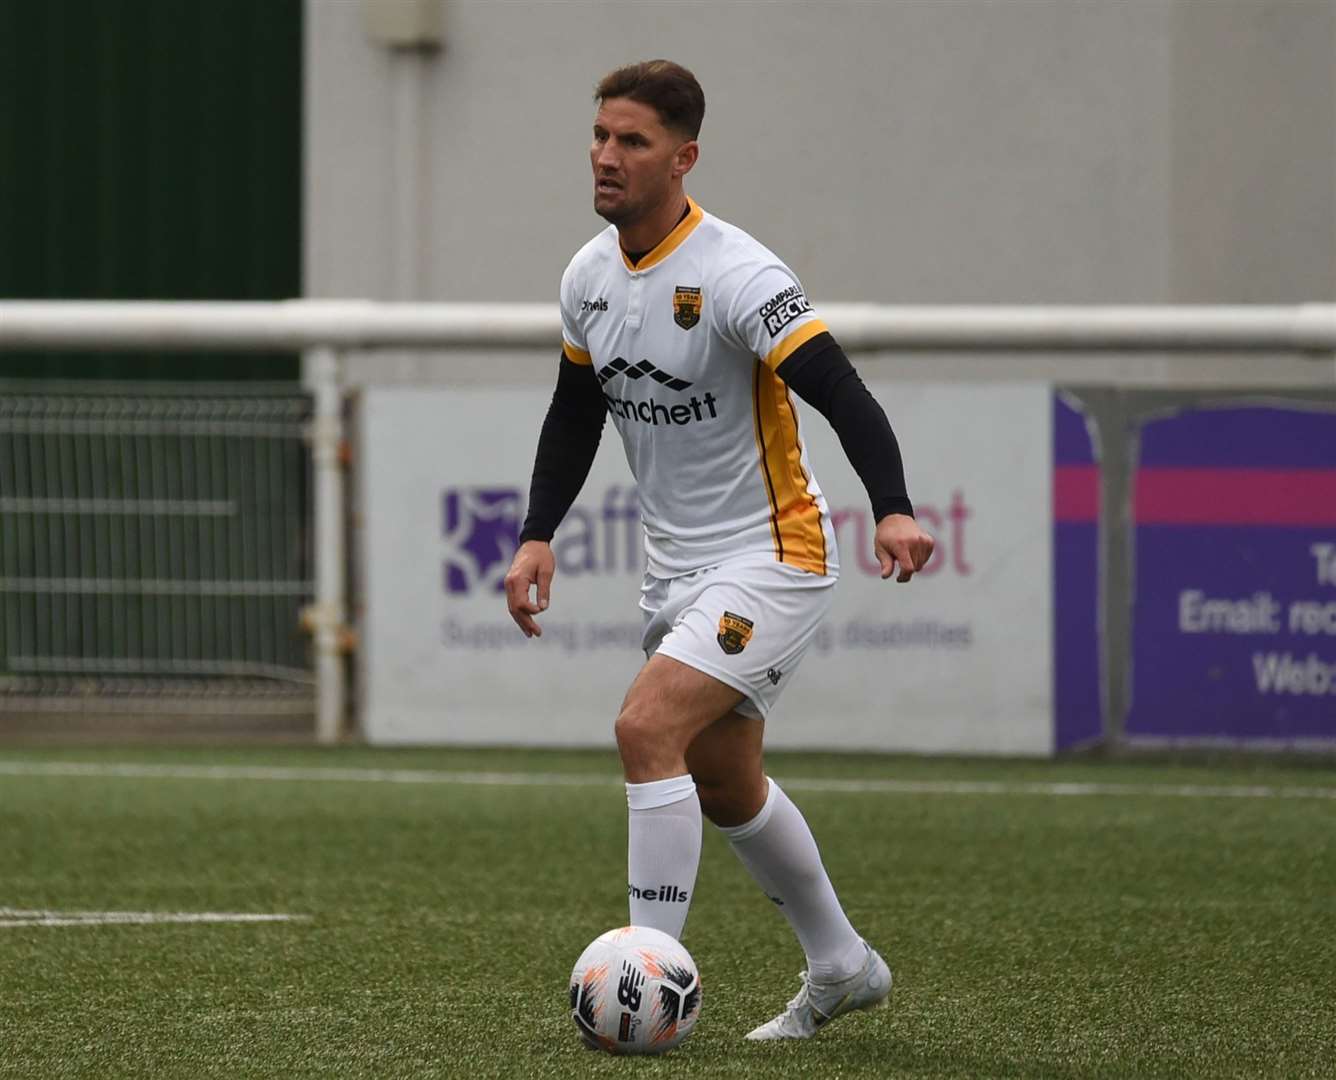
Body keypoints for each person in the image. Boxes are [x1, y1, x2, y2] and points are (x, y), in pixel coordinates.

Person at [503, 59, 934, 1041]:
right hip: (677, 569)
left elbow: (839, 389)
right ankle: (842, 965)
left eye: (633, 142)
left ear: (683, 157)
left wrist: (894, 506)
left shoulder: (738, 272)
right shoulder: (588, 276)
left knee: (643, 728)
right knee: (725, 779)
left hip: (773, 553)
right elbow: (576, 413)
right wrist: (536, 534)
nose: (607, 157)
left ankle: (642, 990)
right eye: (601, 137)